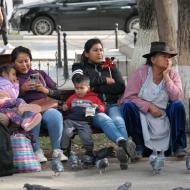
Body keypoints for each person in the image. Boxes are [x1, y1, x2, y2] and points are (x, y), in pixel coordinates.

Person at [72, 38, 136, 170]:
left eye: (101, 50)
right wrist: (105, 80)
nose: (99, 53)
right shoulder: (79, 67)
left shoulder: (110, 66)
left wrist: (95, 86)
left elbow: (120, 87)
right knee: (104, 119)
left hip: (112, 104)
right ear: (86, 53)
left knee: (118, 120)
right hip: (92, 107)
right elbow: (78, 80)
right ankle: (124, 145)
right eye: (95, 50)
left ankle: (123, 154)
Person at [119, 41, 187, 157]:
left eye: (169, 57)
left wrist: (167, 77)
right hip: (143, 114)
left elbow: (176, 96)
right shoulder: (140, 73)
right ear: (153, 59)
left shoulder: (173, 74)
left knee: (178, 105)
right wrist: (149, 107)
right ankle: (138, 145)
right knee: (128, 106)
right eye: (164, 56)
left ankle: (178, 147)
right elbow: (128, 97)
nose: (168, 60)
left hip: (164, 114)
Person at [11, 46, 68, 162]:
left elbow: (58, 93)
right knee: (32, 114)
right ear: (13, 63)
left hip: (45, 106)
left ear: (31, 60)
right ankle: (36, 151)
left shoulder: (40, 74)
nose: (24, 65)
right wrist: (22, 89)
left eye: (26, 61)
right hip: (27, 109)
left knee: (55, 115)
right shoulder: (12, 77)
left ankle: (57, 150)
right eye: (20, 62)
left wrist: (45, 90)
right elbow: (7, 97)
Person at [61, 74, 105, 165]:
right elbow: (66, 105)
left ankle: (89, 151)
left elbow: (103, 108)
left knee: (86, 136)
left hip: (85, 122)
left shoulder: (93, 98)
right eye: (77, 88)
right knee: (66, 132)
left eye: (82, 88)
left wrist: (97, 107)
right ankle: (64, 150)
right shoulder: (72, 97)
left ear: (88, 88)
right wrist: (65, 107)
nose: (79, 91)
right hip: (71, 121)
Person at [0, 64, 42, 131]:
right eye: (13, 74)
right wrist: (16, 85)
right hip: (2, 102)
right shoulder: (5, 82)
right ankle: (27, 107)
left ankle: (24, 123)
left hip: (2, 106)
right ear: (4, 74)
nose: (15, 77)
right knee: (19, 100)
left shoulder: (3, 82)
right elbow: (14, 96)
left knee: (10, 113)